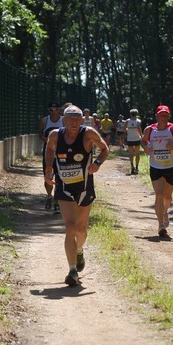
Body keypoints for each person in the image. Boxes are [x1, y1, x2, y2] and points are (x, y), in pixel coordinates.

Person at [45, 105, 109, 286]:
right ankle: (72, 271)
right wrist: (49, 170)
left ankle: (79, 250)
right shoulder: (55, 135)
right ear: (63, 120)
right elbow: (49, 150)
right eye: (70, 119)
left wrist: (96, 163)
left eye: (77, 119)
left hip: (84, 187)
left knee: (81, 229)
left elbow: (105, 149)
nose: (74, 122)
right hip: (64, 187)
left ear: (82, 120)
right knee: (70, 226)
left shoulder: (89, 134)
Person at [141, 105, 173, 237]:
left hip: (171, 166)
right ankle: (160, 225)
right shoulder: (149, 130)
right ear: (156, 116)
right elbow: (143, 141)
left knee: (167, 196)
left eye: (166, 115)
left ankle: (165, 211)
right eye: (161, 115)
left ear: (169, 116)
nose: (164, 117)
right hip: (155, 166)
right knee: (159, 194)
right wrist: (145, 147)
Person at [38, 102, 63, 211]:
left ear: (59, 110)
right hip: (48, 151)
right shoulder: (44, 120)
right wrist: (45, 141)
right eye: (51, 109)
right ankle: (49, 196)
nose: (53, 111)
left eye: (55, 108)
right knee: (48, 174)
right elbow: (40, 133)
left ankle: (57, 201)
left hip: (61, 152)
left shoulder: (64, 120)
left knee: (59, 176)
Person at [124, 109, 142, 174]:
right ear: (136, 114)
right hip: (137, 138)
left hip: (130, 139)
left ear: (130, 114)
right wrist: (141, 136)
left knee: (131, 153)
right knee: (137, 153)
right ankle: (137, 167)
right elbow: (139, 128)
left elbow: (124, 129)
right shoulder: (138, 121)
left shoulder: (127, 121)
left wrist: (127, 132)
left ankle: (132, 166)